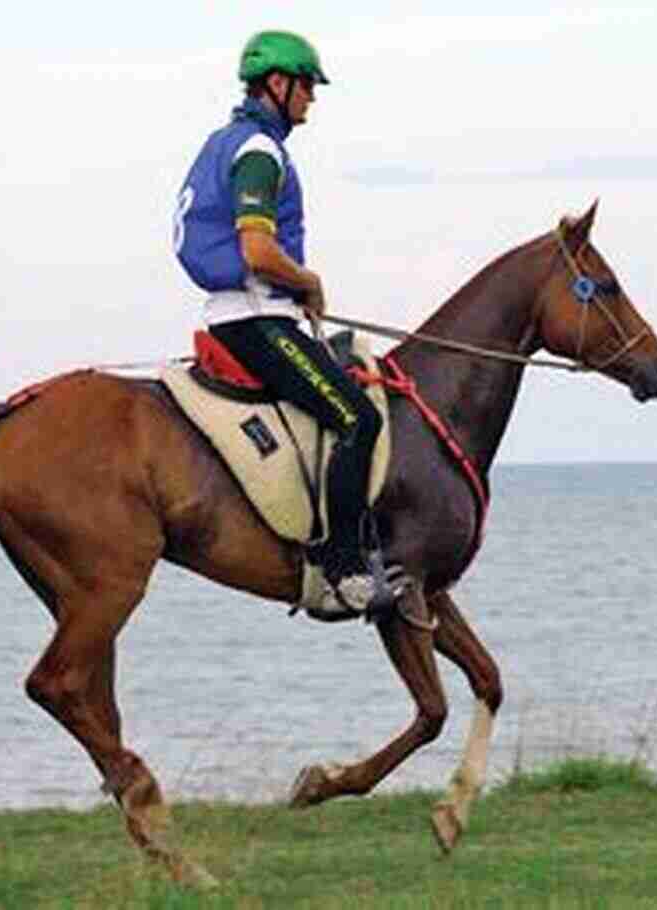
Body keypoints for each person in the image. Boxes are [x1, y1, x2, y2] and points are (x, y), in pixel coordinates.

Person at [173, 30, 397, 614]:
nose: (311, 101)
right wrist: (309, 282)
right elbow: (257, 250)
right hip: (256, 319)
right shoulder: (258, 152)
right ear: (278, 84)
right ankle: (341, 569)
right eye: (306, 87)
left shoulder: (224, 141)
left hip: (240, 315)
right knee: (356, 419)